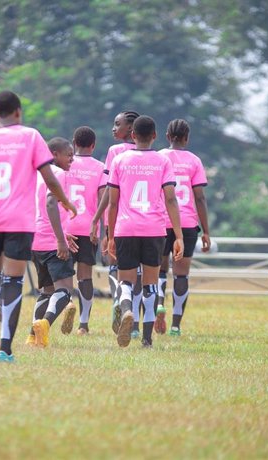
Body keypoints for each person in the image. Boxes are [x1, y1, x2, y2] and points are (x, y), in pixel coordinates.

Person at [0, 90, 77, 363]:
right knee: (13, 281)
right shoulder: (31, 136)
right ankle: (6, 350)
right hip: (19, 222)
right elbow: (50, 180)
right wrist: (66, 202)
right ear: (19, 113)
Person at [106, 115, 184, 348]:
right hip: (154, 229)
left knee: (125, 282)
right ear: (154, 136)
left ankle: (128, 309)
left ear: (132, 135)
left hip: (126, 228)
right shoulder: (162, 161)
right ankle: (147, 340)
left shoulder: (120, 160)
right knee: (150, 284)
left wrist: (110, 235)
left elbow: (112, 202)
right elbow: (170, 199)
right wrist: (178, 235)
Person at [156, 119, 211, 336]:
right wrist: (205, 231)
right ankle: (176, 325)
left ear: (167, 136)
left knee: (159, 269)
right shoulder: (194, 161)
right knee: (181, 275)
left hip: (161, 221)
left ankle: (159, 302)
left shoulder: (158, 157)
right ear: (187, 138)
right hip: (187, 223)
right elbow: (200, 197)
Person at [89, 111, 141, 334]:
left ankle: (118, 303)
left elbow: (109, 191)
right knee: (137, 272)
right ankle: (136, 322)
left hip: (119, 220)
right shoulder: (149, 153)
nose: (113, 128)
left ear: (130, 129)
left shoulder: (115, 152)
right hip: (144, 222)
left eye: (117, 124)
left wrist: (100, 223)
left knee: (114, 266)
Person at [27, 137, 78, 348]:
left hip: (35, 240)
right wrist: (60, 239)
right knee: (65, 292)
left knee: (47, 292)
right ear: (55, 155)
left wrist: (63, 234)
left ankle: (32, 336)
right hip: (51, 242)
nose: (72, 160)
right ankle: (46, 323)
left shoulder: (36, 176)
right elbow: (50, 203)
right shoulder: (58, 174)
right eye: (69, 155)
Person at [63, 126, 107, 335]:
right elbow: (102, 200)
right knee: (85, 276)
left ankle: (67, 304)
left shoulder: (65, 165)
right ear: (93, 145)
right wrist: (103, 231)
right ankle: (83, 324)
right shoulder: (100, 168)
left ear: (74, 142)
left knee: (64, 274)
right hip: (89, 227)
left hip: (66, 227)